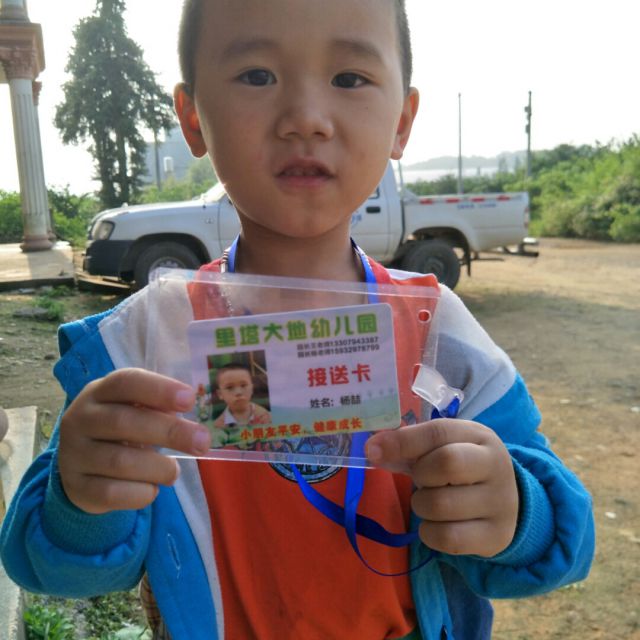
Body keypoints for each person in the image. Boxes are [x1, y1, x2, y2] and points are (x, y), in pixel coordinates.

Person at [0, 1, 594, 639]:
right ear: (193, 118)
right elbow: (50, 563)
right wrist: (82, 501)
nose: (306, 118)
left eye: (349, 78)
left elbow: (568, 538)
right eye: (257, 75)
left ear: (401, 122)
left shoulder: (439, 332)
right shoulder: (142, 345)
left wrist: (515, 514)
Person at [211, 362, 271, 447]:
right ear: (220, 394)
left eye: (243, 385)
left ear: (252, 388)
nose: (238, 392)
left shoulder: (265, 417)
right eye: (230, 387)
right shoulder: (218, 426)